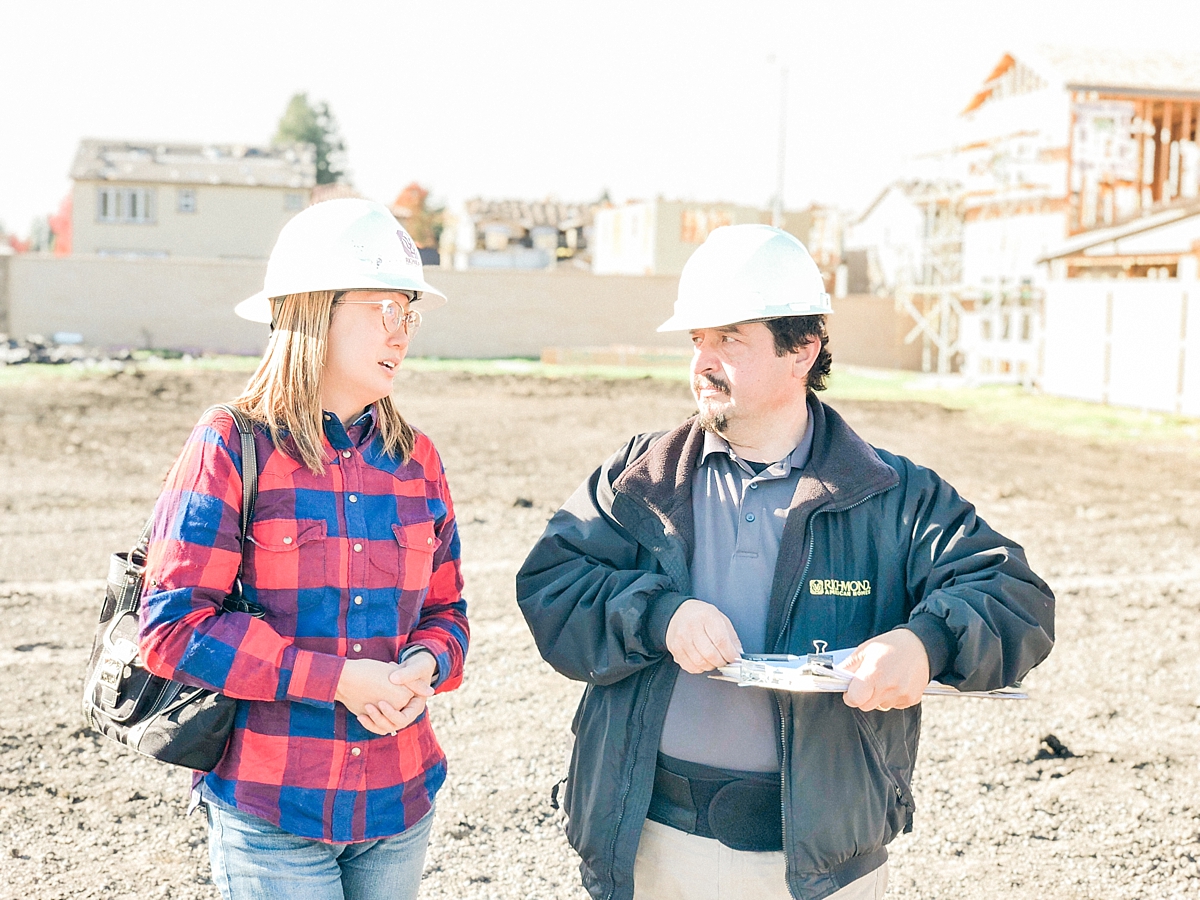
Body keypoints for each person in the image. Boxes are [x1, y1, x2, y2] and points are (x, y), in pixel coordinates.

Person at [516, 224, 1054, 900]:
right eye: (697, 340)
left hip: (819, 870)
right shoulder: (639, 478)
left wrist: (925, 644)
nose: (703, 362)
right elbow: (553, 585)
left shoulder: (893, 495)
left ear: (803, 348)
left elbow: (1014, 594)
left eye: (729, 339)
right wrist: (659, 615)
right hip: (650, 852)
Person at [138, 198, 469, 900]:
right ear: (315, 309)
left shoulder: (419, 461)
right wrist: (340, 680)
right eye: (386, 308)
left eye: (409, 312)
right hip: (271, 812)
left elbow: (449, 612)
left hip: (400, 804)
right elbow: (171, 629)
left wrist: (424, 663)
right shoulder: (231, 445)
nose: (403, 331)